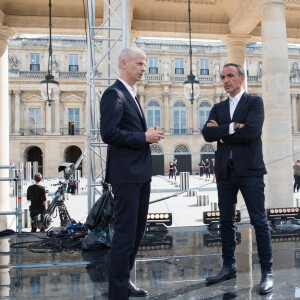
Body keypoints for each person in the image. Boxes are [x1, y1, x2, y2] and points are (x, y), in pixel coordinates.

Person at [202, 63, 273, 295]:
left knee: (259, 221)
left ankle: (267, 272)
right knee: (225, 221)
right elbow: (207, 133)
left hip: (250, 170)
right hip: (225, 171)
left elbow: (252, 131)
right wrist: (232, 127)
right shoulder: (218, 106)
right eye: (223, 77)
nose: (226, 80)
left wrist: (222, 132)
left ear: (241, 78)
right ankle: (228, 266)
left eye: (230, 76)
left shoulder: (255, 102)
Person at [100, 47, 164, 300]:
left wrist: (147, 135)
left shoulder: (132, 95)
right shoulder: (114, 94)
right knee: (125, 234)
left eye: (145, 64)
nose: (143, 68)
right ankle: (117, 293)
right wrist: (144, 137)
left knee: (137, 232)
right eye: (139, 63)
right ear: (124, 63)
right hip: (126, 175)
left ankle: (124, 280)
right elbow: (109, 133)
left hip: (139, 173)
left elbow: (127, 131)